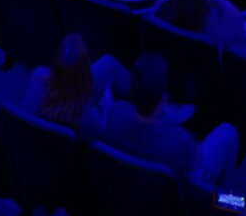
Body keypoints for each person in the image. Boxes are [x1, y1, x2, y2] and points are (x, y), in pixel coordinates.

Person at [100, 52, 238, 186]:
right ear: (163, 97)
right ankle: (229, 203)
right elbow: (195, 169)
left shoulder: (114, 115)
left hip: (131, 189)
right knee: (228, 133)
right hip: (177, 199)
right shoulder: (181, 141)